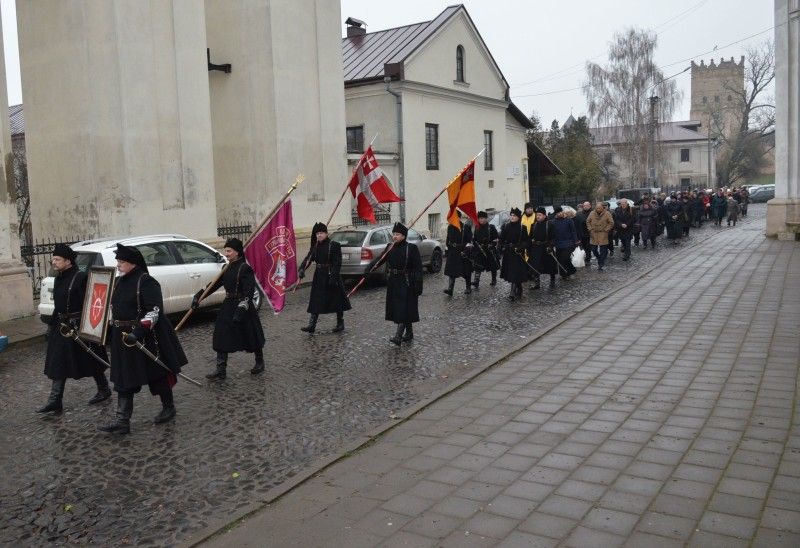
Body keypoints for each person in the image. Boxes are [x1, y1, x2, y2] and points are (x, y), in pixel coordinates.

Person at [99, 244, 187, 435]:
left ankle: (168, 406)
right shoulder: (119, 282)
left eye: (122, 262)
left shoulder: (146, 282)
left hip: (145, 339)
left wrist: (138, 332)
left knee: (158, 375)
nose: (118, 265)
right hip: (122, 339)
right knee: (124, 380)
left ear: (133, 263)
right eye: (118, 262)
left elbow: (154, 311)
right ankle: (122, 421)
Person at [37, 243, 111, 413]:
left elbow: (93, 304)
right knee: (58, 362)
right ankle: (55, 400)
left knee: (91, 358)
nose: (53, 262)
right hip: (61, 326)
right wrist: (51, 326)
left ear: (68, 261)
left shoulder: (81, 278)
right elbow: (59, 305)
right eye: (53, 259)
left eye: (57, 259)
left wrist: (88, 327)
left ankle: (104, 388)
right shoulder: (58, 278)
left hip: (79, 327)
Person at [194, 238, 266, 380]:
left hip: (242, 306)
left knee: (250, 334)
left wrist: (241, 310)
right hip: (228, 304)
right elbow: (213, 285)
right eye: (225, 250)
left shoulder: (245, 268)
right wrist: (198, 297)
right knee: (221, 335)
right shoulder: (225, 268)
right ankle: (221, 369)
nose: (225, 253)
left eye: (229, 251)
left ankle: (259, 361)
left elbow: (248, 292)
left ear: (237, 252)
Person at [297, 223, 351, 333]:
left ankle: (340, 323)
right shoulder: (315, 246)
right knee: (316, 300)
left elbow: (337, 263)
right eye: (317, 233)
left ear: (326, 233)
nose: (319, 235)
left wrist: (333, 278)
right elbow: (308, 259)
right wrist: (302, 269)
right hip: (319, 276)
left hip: (331, 275)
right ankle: (312, 325)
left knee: (337, 300)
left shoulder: (334, 245)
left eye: (321, 233)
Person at [384, 223, 423, 346]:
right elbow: (380, 260)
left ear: (404, 236)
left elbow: (418, 268)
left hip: (407, 281)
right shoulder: (390, 247)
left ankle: (398, 336)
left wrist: (418, 284)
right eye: (394, 234)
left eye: (398, 234)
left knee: (403, 308)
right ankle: (409, 333)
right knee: (402, 308)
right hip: (393, 282)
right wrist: (368, 270)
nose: (395, 237)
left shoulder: (411, 248)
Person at [499, 207, 529, 300]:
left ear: (518, 217)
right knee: (513, 273)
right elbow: (501, 240)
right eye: (511, 215)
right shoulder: (506, 227)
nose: (512, 217)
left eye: (514, 215)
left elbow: (526, 241)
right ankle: (519, 288)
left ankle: (512, 293)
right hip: (509, 253)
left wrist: (520, 248)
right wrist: (503, 247)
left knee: (516, 272)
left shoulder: (522, 228)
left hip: (518, 253)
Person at [443, 214, 473, 295]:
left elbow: (469, 242)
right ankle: (450, 289)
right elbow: (448, 240)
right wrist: (449, 247)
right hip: (453, 253)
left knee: (466, 271)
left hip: (462, 252)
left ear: (459, 218)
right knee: (451, 272)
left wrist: (463, 248)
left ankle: (468, 287)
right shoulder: (450, 227)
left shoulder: (465, 227)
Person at [528, 207, 558, 288]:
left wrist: (550, 246)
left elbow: (553, 237)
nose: (538, 216)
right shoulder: (533, 225)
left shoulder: (550, 224)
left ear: (544, 216)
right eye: (537, 215)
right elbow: (530, 237)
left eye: (540, 215)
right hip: (536, 248)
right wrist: (530, 245)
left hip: (546, 247)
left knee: (550, 265)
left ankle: (552, 280)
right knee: (535, 266)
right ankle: (537, 283)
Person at [471, 211, 500, 289]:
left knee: (493, 266)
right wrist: (473, 242)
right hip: (480, 250)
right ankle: (476, 281)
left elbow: (496, 239)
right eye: (480, 218)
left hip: (489, 250)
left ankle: (494, 279)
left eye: (483, 218)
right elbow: (475, 239)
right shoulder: (477, 228)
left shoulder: (491, 227)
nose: (482, 220)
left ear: (486, 218)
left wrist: (492, 245)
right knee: (478, 265)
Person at [552, 207, 578, 280]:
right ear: (556, 214)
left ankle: (571, 271)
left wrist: (575, 241)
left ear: (562, 212)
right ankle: (564, 274)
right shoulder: (553, 222)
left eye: (560, 212)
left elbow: (573, 231)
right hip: (558, 244)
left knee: (565, 258)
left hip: (569, 243)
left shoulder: (569, 220)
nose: (559, 214)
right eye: (557, 213)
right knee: (560, 259)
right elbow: (552, 233)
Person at [586, 202, 614, 271]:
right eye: (597, 208)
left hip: (603, 233)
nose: (598, 209)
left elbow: (611, 222)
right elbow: (588, 221)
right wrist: (590, 229)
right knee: (594, 249)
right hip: (594, 234)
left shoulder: (607, 213)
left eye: (599, 208)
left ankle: (601, 264)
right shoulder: (592, 213)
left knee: (603, 250)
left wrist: (606, 229)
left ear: (602, 208)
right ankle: (599, 258)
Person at [574, 202, 593, 267]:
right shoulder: (578, 214)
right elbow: (575, 224)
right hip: (581, 233)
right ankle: (584, 258)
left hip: (590, 233)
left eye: (587, 205)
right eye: (584, 205)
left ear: (590, 206)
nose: (585, 207)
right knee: (583, 247)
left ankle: (588, 259)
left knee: (588, 247)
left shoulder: (593, 213)